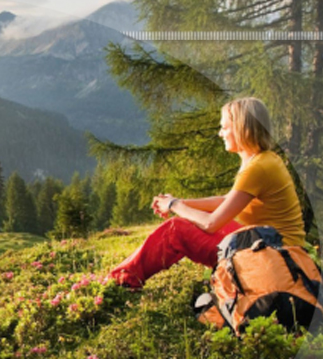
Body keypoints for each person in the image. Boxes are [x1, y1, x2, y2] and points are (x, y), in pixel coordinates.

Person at [110, 97, 306, 290]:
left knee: (176, 229)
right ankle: (125, 275)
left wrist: (174, 205)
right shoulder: (263, 159)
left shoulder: (258, 167)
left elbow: (210, 224)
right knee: (188, 220)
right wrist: (179, 202)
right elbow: (227, 200)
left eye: (224, 127)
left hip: (273, 258)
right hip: (273, 248)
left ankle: (122, 280)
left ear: (242, 129)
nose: (220, 134)